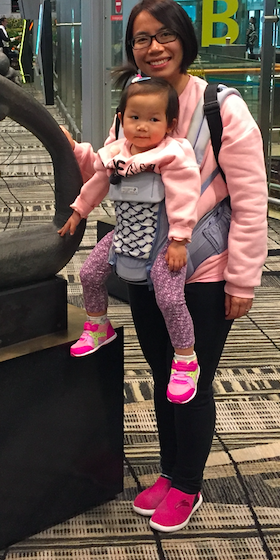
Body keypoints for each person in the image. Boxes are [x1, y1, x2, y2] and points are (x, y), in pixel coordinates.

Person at [65, 0, 268, 534]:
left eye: (164, 35)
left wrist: (243, 278)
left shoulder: (220, 107)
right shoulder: (135, 101)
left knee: (192, 378)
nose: (153, 47)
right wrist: (79, 154)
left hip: (202, 267)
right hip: (142, 260)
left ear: (185, 40)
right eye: (141, 38)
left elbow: (251, 198)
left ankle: (188, 485)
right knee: (162, 374)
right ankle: (170, 471)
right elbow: (113, 169)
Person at [59, 78, 203, 406]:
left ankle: (186, 360)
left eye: (153, 119)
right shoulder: (116, 155)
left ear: (170, 124)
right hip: (123, 234)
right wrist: (79, 211)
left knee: (170, 299)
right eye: (135, 117)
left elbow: (185, 197)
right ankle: (99, 325)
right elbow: (98, 183)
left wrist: (180, 240)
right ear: (122, 119)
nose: (142, 126)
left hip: (164, 241)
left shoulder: (172, 156)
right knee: (89, 274)